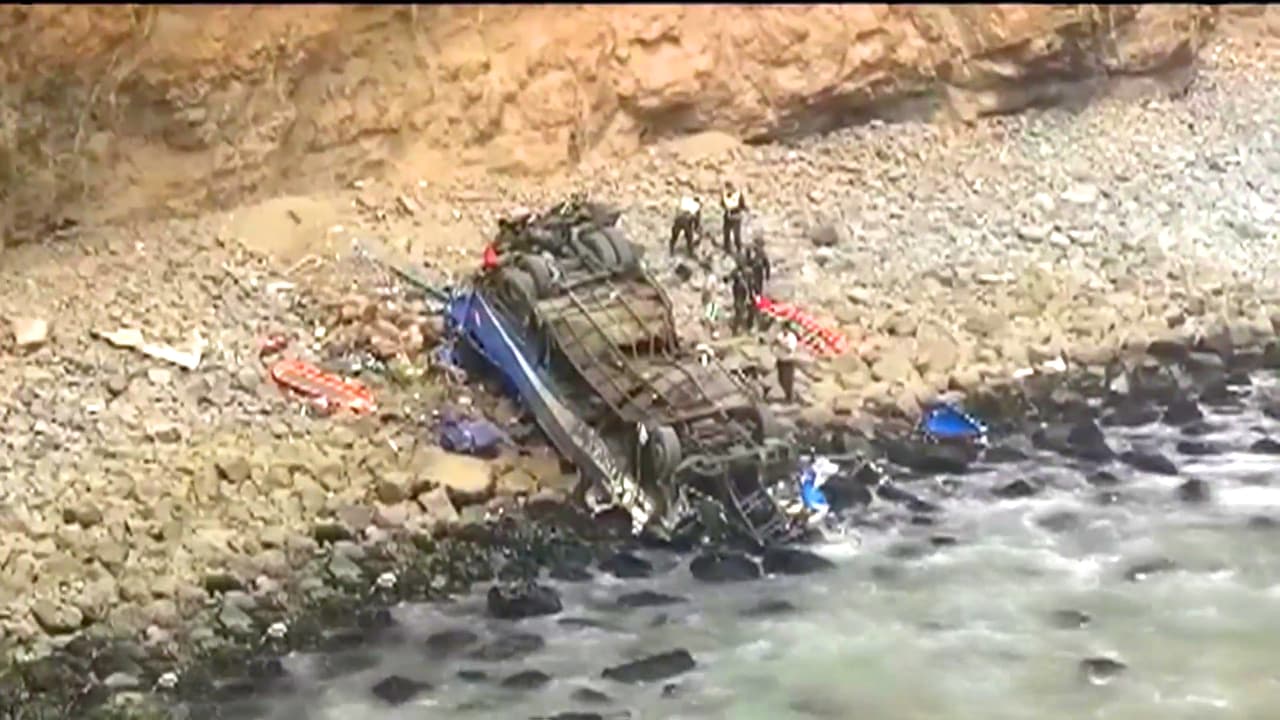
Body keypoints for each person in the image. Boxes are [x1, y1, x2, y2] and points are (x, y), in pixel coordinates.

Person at [720, 181, 747, 255]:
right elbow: (722, 204)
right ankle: (727, 249)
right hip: (727, 216)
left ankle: (738, 249)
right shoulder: (724, 195)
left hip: (736, 216)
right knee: (726, 233)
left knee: (736, 234)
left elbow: (742, 205)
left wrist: (737, 208)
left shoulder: (738, 194)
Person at [775, 328, 799, 403]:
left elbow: (790, 350)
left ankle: (789, 397)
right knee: (780, 379)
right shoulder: (780, 335)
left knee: (788, 380)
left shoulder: (792, 338)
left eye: (786, 330)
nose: (784, 331)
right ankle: (786, 395)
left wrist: (782, 345)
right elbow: (775, 343)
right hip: (780, 360)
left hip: (788, 361)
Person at [729, 263, 752, 335]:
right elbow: (746, 292)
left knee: (738, 316)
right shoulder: (741, 284)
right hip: (740, 302)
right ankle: (740, 330)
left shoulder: (735, 285)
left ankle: (736, 330)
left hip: (737, 302)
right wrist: (747, 299)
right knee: (741, 316)